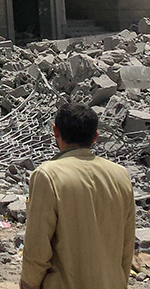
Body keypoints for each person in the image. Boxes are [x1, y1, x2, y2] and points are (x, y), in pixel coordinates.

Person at [20, 103, 135, 289]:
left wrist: (28, 284)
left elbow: (37, 249)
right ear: (95, 137)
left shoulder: (47, 176)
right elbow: (127, 246)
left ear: (55, 131)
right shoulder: (120, 175)